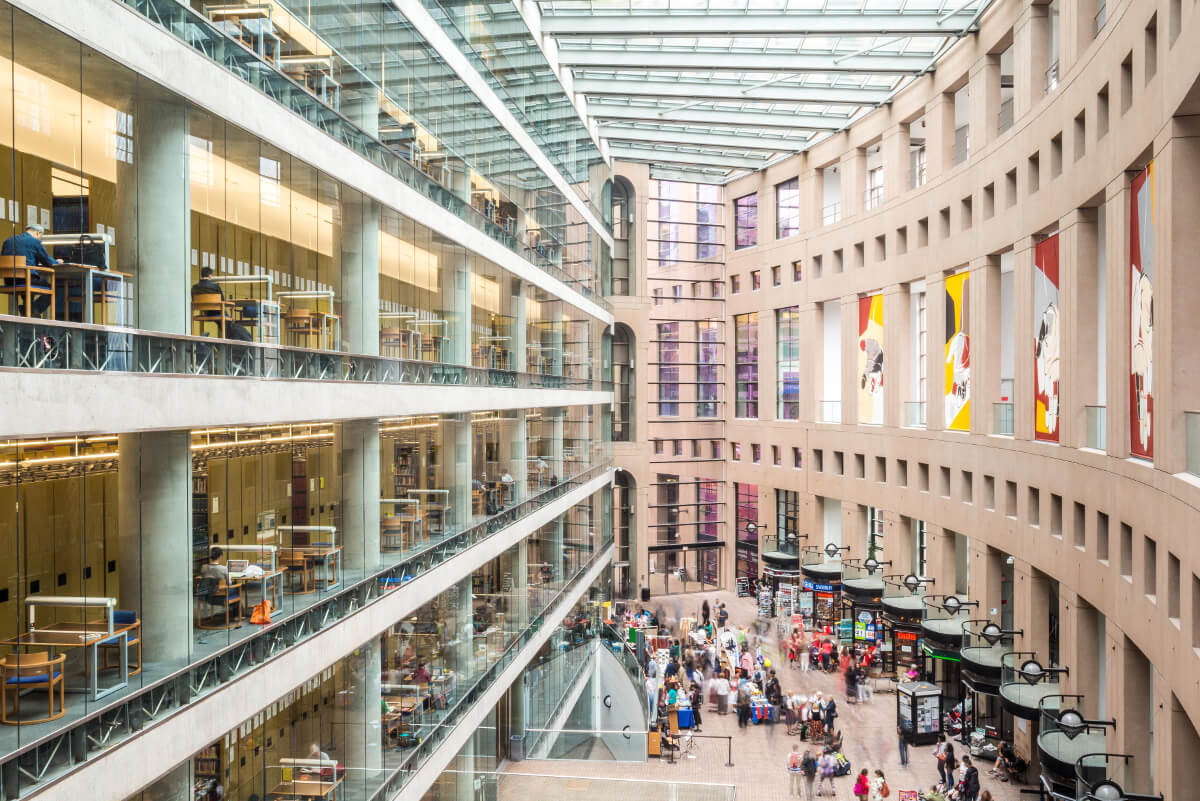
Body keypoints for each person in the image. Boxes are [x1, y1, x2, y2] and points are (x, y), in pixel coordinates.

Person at [1, 223, 58, 316]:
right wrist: (58, 262)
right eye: (41, 237)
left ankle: (27, 311)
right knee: (54, 287)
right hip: (25, 279)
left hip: (9, 281)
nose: (40, 240)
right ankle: (34, 309)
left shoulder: (7, 241)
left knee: (29, 282)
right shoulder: (34, 241)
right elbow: (48, 262)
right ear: (38, 233)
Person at [191, 267, 253, 341]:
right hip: (217, 312)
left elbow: (193, 300)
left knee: (222, 323)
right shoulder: (215, 287)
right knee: (229, 323)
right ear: (210, 276)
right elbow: (222, 301)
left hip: (205, 312)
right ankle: (229, 341)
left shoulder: (194, 287)